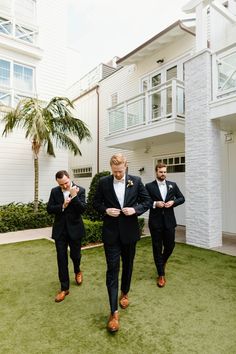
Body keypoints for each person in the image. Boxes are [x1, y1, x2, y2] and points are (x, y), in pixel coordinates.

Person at [93, 153, 151, 332]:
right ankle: (113, 312)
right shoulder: (103, 182)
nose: (117, 175)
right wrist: (106, 210)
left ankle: (124, 292)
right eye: (114, 171)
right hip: (110, 234)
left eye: (120, 171)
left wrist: (135, 210)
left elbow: (147, 201)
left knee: (128, 265)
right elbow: (95, 203)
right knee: (112, 269)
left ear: (126, 166)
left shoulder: (136, 180)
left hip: (129, 233)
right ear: (111, 168)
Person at [47, 170, 86, 302]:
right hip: (60, 231)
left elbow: (82, 210)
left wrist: (74, 197)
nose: (64, 186)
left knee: (75, 255)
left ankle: (77, 270)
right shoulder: (54, 191)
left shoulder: (80, 190)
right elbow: (49, 208)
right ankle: (64, 288)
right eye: (61, 184)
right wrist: (62, 206)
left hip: (75, 229)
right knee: (61, 258)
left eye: (66, 183)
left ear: (69, 178)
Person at [145, 162, 185, 288]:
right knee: (157, 247)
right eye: (161, 172)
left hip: (169, 221)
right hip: (155, 222)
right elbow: (145, 201)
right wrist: (155, 204)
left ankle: (162, 262)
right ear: (156, 172)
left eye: (165, 172)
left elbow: (182, 198)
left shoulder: (173, 185)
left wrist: (173, 202)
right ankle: (161, 274)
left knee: (170, 245)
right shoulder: (149, 186)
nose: (163, 174)